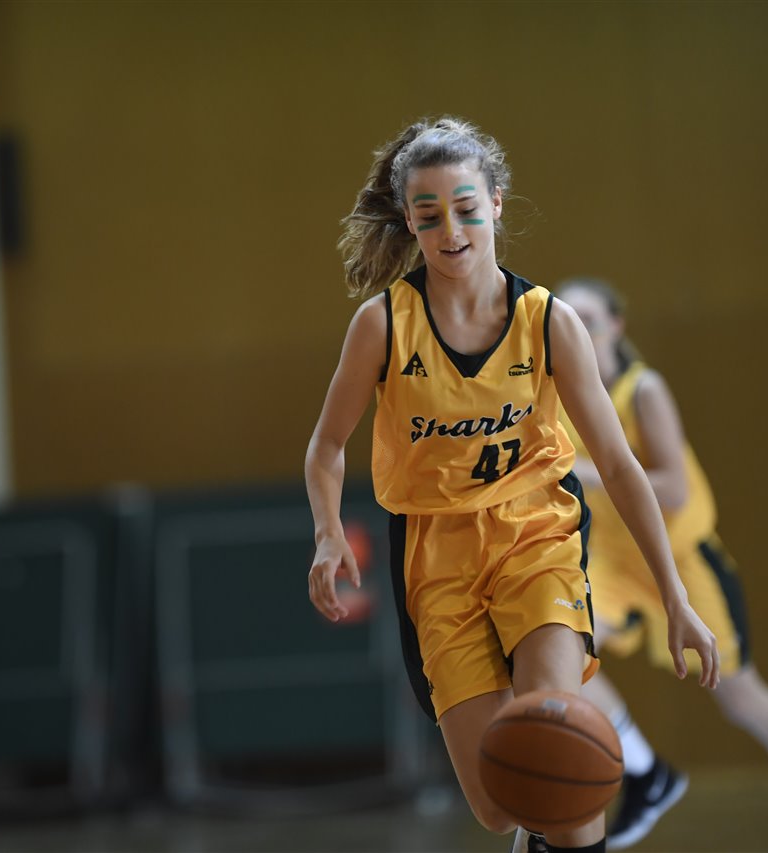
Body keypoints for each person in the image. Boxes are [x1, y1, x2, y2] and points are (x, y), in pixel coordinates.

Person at [303, 116, 720, 853]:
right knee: (502, 804)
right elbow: (327, 447)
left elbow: (620, 465)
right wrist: (328, 531)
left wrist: (675, 595)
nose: (451, 230)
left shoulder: (549, 321)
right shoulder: (383, 325)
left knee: (557, 741)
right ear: (410, 221)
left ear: (496, 203)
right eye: (430, 214)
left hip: (537, 534)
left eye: (466, 207)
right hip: (436, 553)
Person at [556, 278, 768, 853]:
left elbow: (673, 488)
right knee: (559, 649)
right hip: (615, 564)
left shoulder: (644, 390)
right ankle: (646, 772)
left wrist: (587, 471)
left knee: (739, 696)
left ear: (616, 325)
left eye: (589, 320)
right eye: (568, 323)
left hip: (681, 560)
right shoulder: (562, 397)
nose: (581, 332)